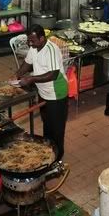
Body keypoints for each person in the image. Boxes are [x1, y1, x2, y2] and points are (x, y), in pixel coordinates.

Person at [16, 25, 68, 160]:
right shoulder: (34, 48)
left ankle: (57, 158)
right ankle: (48, 153)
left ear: (42, 38)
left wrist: (31, 78)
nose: (29, 43)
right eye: (28, 40)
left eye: (32, 40)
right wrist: (16, 75)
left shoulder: (51, 50)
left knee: (56, 129)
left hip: (56, 93)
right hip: (43, 92)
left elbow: (53, 74)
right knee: (47, 124)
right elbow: (27, 64)